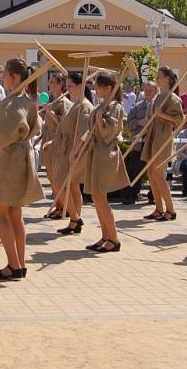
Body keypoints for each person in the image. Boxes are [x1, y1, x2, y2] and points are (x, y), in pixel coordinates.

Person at [0, 59, 43, 280]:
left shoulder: (15, 103)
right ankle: (19, 263)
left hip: (12, 159)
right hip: (20, 156)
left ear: (15, 77)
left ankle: (13, 264)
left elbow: (2, 136)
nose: (2, 77)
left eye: (5, 74)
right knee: (14, 213)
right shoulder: (26, 101)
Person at [80, 71, 129, 253]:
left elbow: (109, 133)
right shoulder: (101, 105)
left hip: (105, 153)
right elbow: (90, 130)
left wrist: (101, 120)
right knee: (96, 197)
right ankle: (105, 235)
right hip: (95, 152)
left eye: (98, 86)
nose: (95, 89)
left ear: (108, 88)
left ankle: (113, 239)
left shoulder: (115, 107)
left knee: (101, 197)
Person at [44, 72, 93, 235]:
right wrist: (53, 141)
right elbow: (65, 127)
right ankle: (74, 219)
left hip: (73, 150)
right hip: (66, 147)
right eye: (68, 86)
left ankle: (75, 217)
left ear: (80, 86)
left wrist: (75, 150)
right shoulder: (75, 104)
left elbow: (84, 132)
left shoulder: (84, 106)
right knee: (71, 185)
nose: (68, 89)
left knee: (59, 182)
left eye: (71, 86)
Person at [141, 67, 184, 221]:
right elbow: (149, 117)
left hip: (163, 138)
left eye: (159, 77)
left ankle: (170, 210)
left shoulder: (173, 98)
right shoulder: (158, 96)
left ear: (167, 78)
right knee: (151, 174)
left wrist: (162, 115)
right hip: (153, 137)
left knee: (159, 175)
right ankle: (158, 208)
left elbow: (180, 120)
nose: (157, 79)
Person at [39, 72, 71, 219]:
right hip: (48, 140)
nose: (49, 85)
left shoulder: (63, 101)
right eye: (49, 82)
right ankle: (58, 205)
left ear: (60, 84)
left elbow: (62, 123)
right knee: (50, 176)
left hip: (57, 142)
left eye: (52, 82)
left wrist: (49, 111)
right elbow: (47, 124)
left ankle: (63, 207)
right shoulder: (53, 99)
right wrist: (40, 137)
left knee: (56, 176)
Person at [122, 82, 156, 204]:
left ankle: (154, 196)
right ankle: (132, 195)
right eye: (146, 90)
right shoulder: (136, 107)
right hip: (138, 143)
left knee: (154, 171)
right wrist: (138, 122)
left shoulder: (159, 107)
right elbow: (128, 124)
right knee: (135, 170)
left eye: (150, 91)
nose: (148, 93)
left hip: (153, 144)